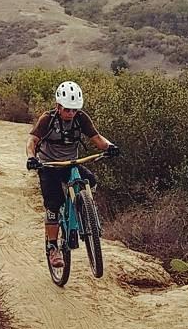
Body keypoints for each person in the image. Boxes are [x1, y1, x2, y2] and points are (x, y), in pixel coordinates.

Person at [26, 80, 120, 268]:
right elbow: (32, 141)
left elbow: (98, 139)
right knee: (53, 205)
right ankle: (53, 247)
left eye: (74, 110)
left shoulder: (81, 119)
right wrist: (31, 158)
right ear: (58, 106)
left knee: (91, 181)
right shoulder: (47, 119)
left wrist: (110, 147)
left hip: (71, 164)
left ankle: (84, 212)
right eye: (67, 109)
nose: (71, 113)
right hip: (49, 165)